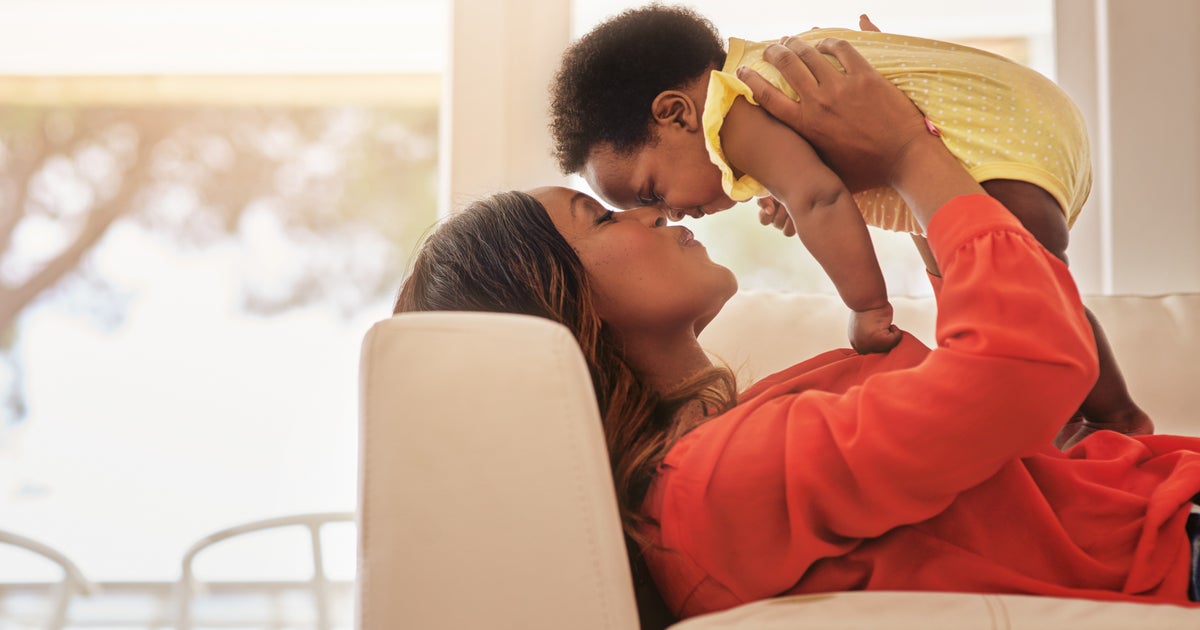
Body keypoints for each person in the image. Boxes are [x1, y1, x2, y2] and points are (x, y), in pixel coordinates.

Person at [395, 33, 1200, 626]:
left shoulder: (747, 432)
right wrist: (907, 153)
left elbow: (1004, 389)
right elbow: (1023, 366)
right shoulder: (713, 486)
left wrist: (921, 166)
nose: (653, 214)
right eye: (605, 216)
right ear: (563, 305)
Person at [547, 5, 1151, 449]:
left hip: (997, 136)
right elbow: (819, 181)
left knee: (1032, 293)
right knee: (995, 283)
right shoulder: (765, 78)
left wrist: (865, 306)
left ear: (676, 113)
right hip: (1023, 124)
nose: (664, 213)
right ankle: (1094, 419)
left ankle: (1118, 418)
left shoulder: (734, 106)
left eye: (651, 190)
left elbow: (819, 196)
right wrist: (795, 185)